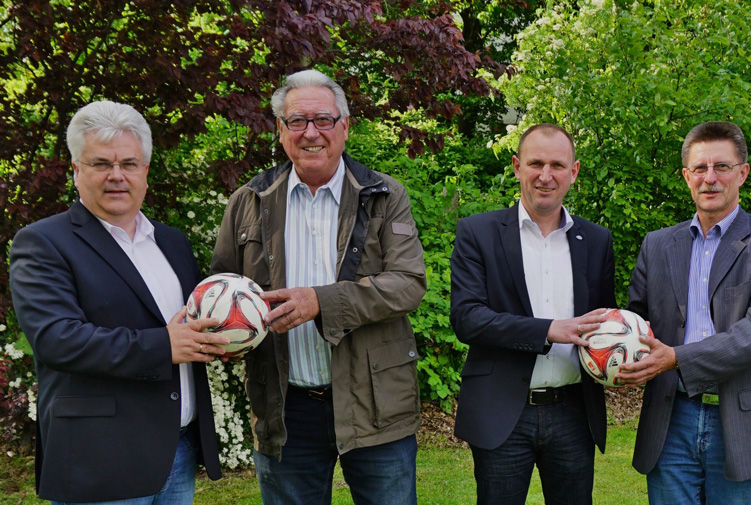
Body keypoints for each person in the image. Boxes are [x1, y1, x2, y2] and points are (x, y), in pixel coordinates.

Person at [210, 69, 426, 505]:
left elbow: (408, 284)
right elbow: (223, 288)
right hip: (285, 410)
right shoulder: (247, 201)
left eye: (323, 120)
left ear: (345, 126)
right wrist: (223, 328)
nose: (311, 133)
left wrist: (320, 301)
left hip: (375, 403)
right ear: (280, 129)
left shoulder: (384, 194)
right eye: (297, 121)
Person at [8, 100, 225, 503]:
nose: (116, 176)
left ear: (145, 170)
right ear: (76, 171)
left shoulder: (172, 242)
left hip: (177, 451)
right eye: (100, 164)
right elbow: (58, 339)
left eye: (128, 163)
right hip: (101, 459)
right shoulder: (43, 243)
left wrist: (221, 337)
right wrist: (165, 345)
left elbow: (188, 325)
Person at [616, 121, 751, 504]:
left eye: (722, 167)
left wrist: (675, 358)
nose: (710, 178)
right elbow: (637, 321)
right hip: (671, 418)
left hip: (738, 417)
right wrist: (614, 346)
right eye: (700, 168)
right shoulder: (657, 244)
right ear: (687, 176)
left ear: (743, 173)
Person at [449, 123, 614, 504]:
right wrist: (548, 330)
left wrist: (627, 346)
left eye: (557, 164)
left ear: (573, 172)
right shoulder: (478, 232)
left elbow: (601, 324)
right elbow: (467, 318)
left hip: (574, 412)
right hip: (502, 410)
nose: (546, 175)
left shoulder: (597, 240)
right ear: (516, 166)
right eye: (535, 163)